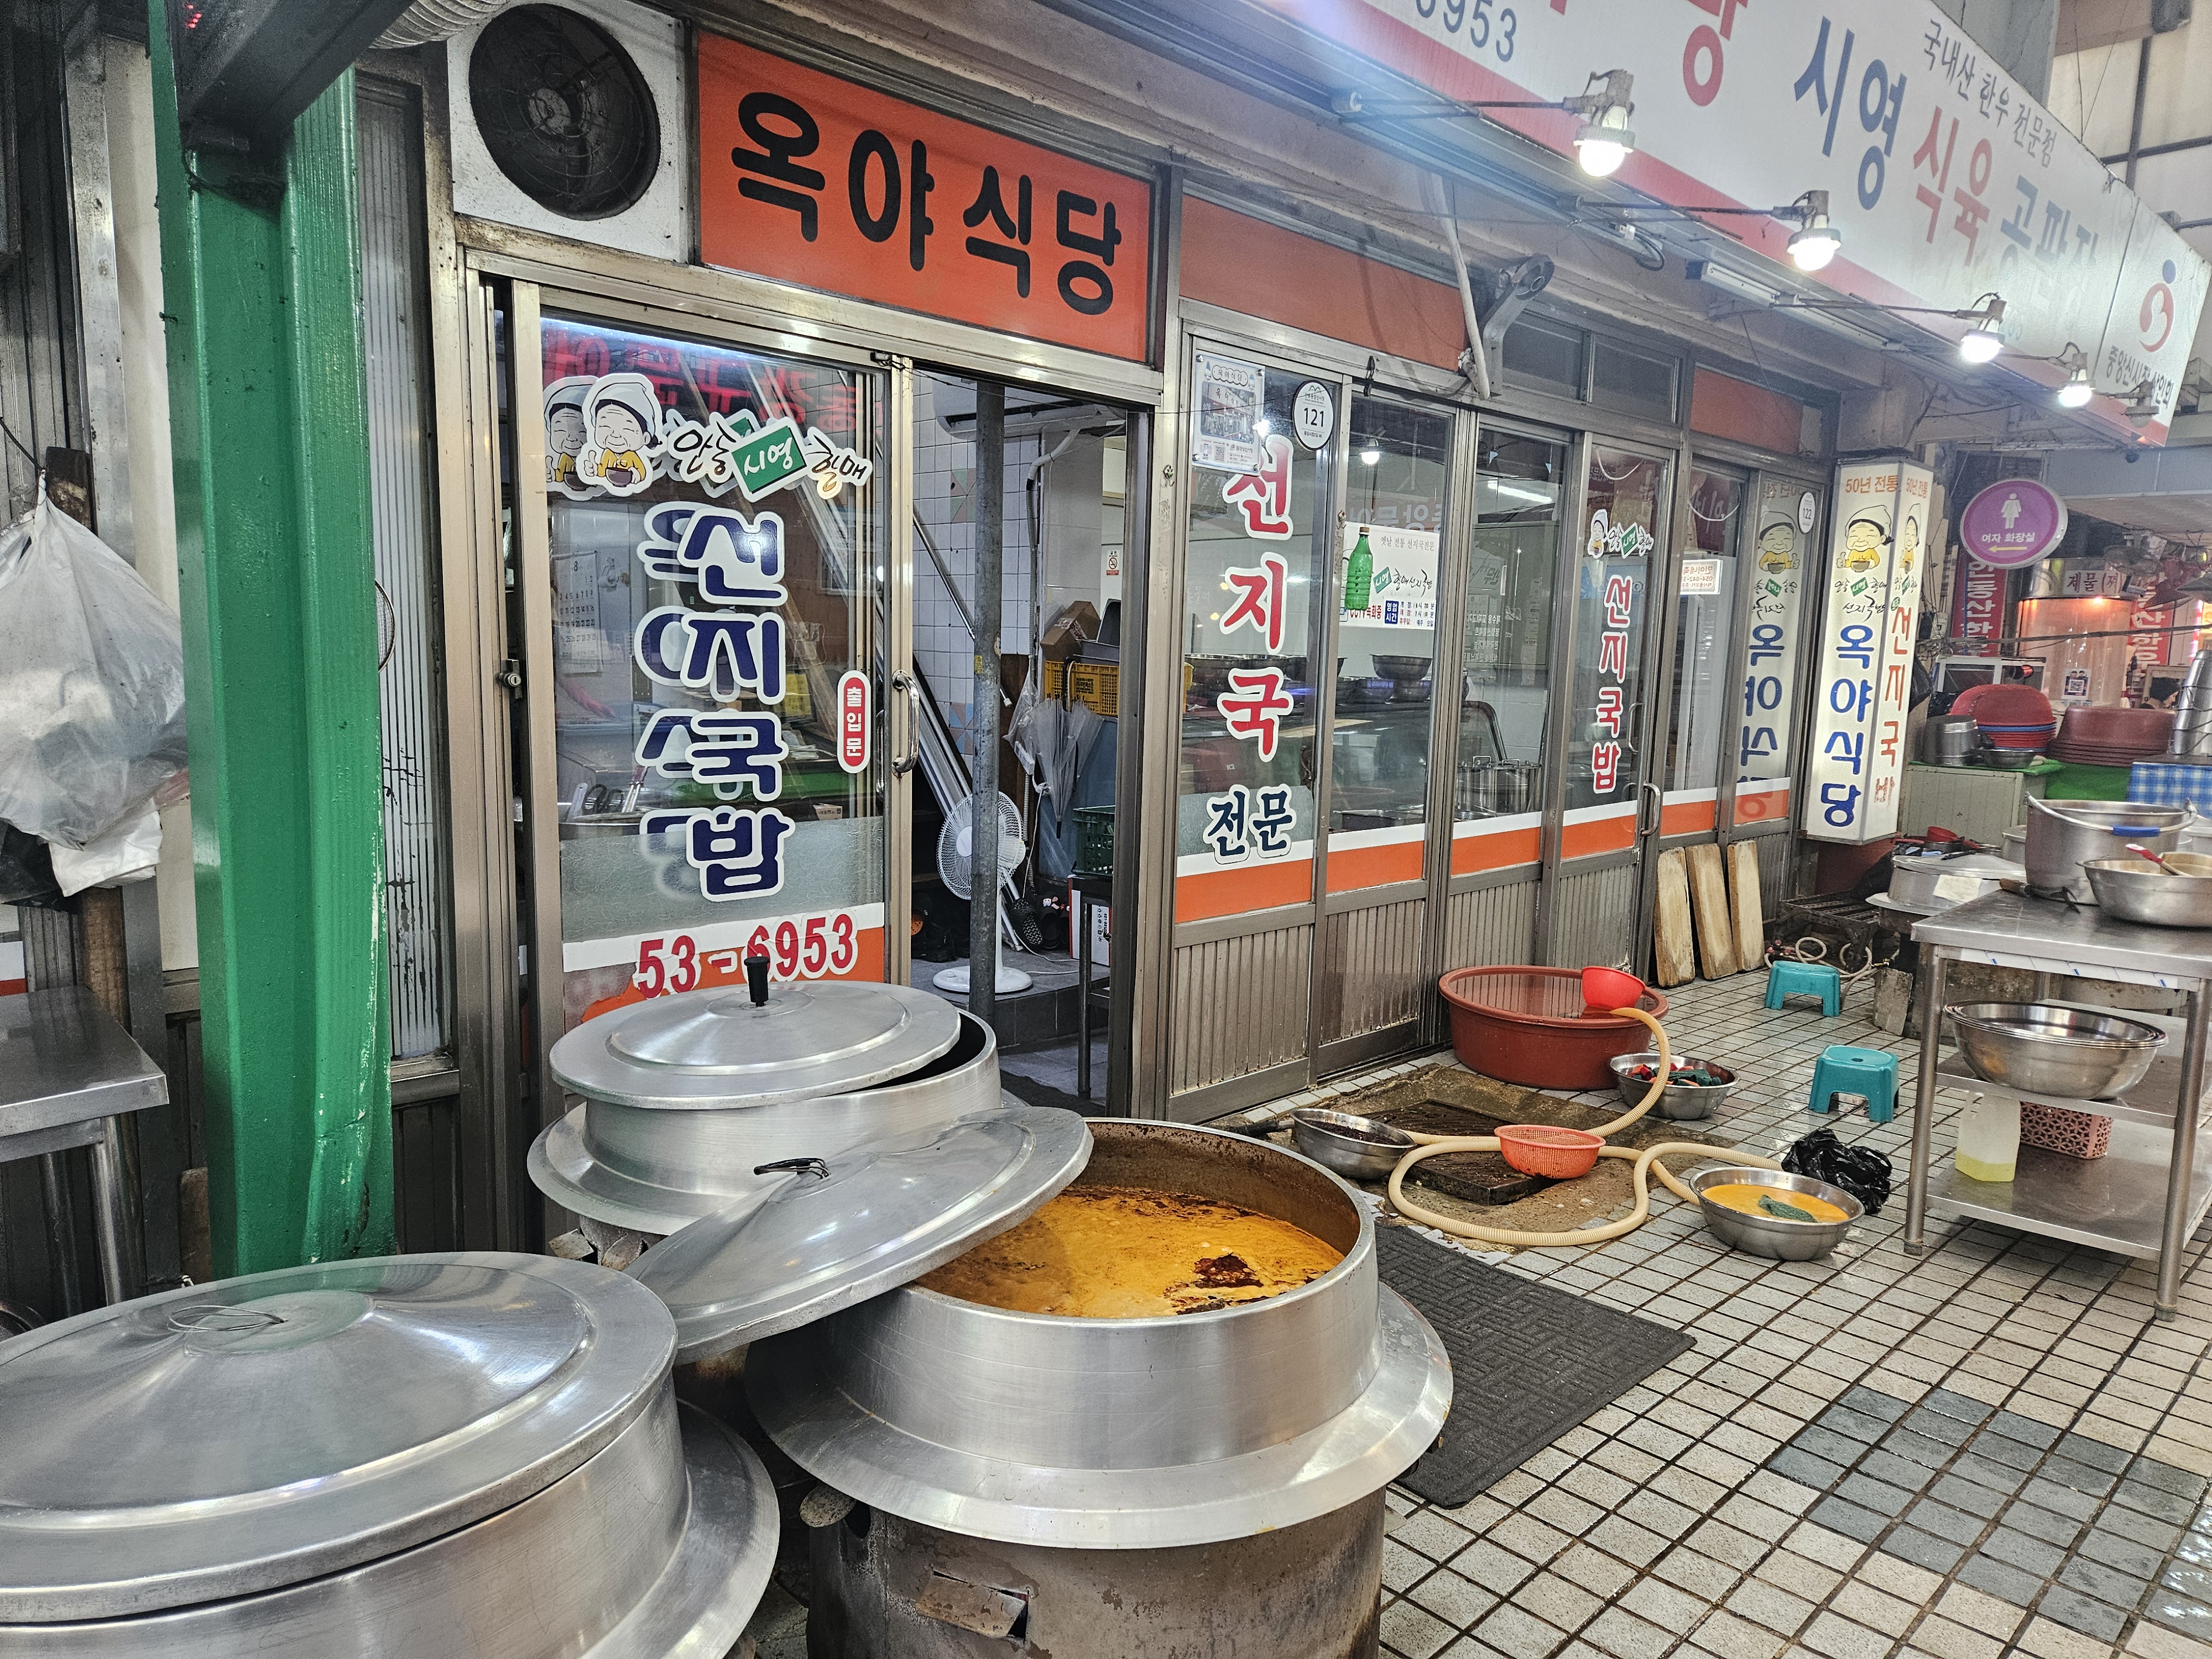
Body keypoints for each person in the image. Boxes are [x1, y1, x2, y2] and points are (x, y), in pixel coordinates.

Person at [582, 373, 661, 493]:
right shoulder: (608, 454)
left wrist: (636, 475)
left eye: (627, 429)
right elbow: (602, 471)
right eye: (605, 427)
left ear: (646, 438)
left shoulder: (632, 456)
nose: (615, 435)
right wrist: (594, 469)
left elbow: (641, 472)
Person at [544, 377, 591, 494]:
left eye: (582, 431)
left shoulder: (595, 457)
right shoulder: (565, 458)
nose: (572, 438)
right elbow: (560, 475)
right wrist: (551, 474)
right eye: (561, 430)